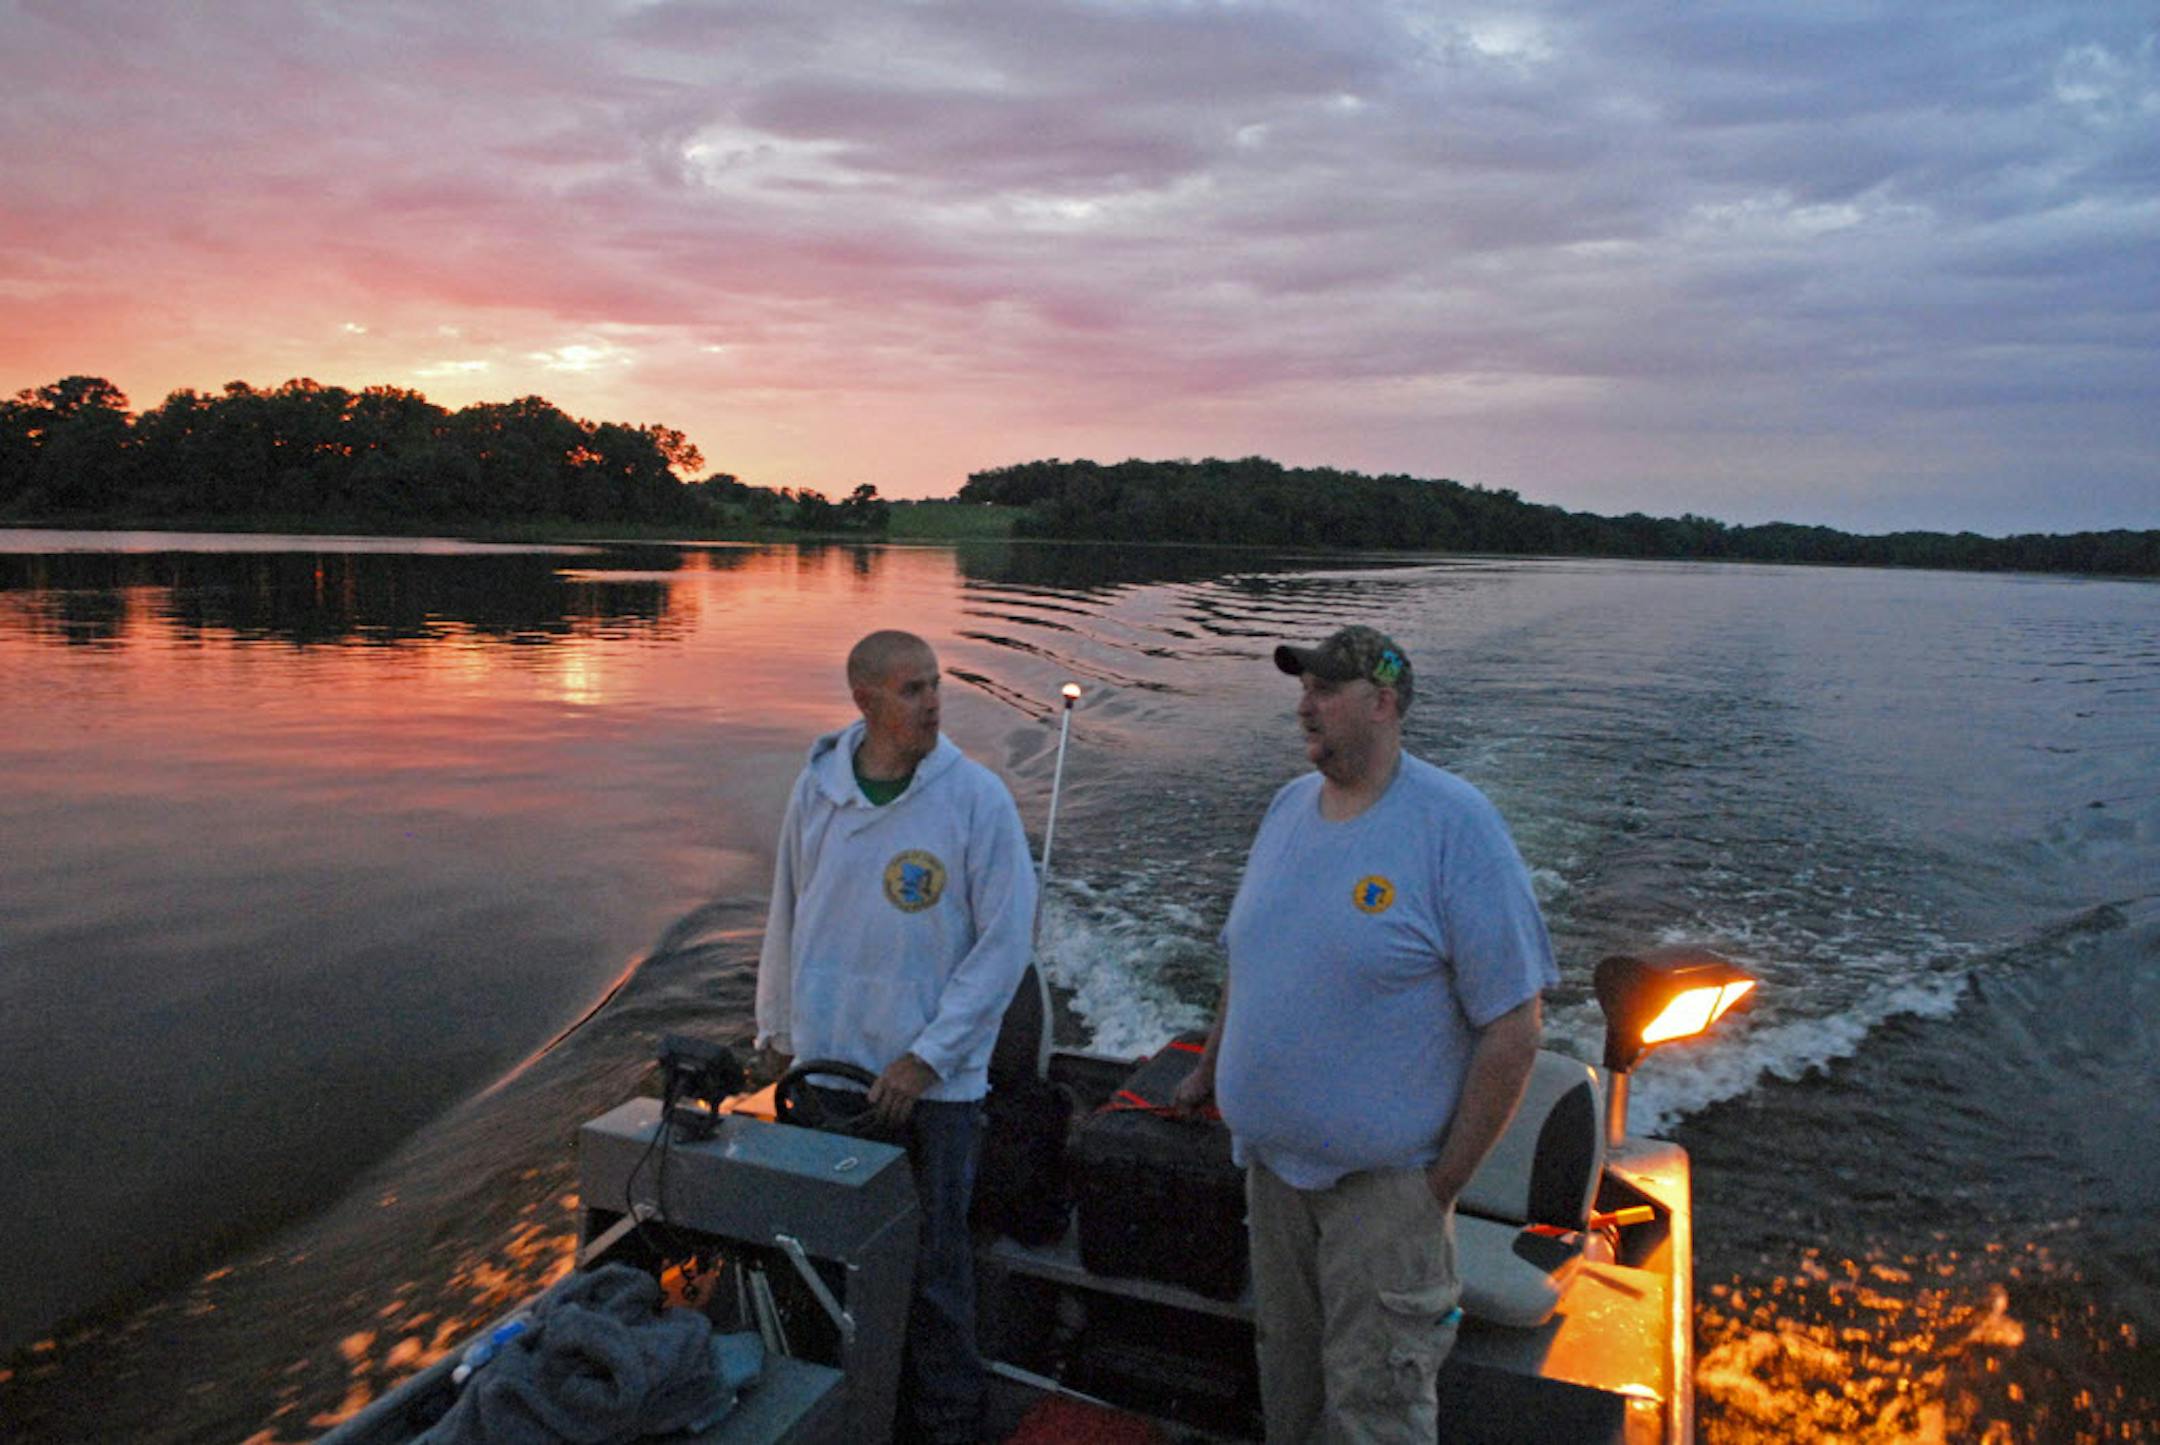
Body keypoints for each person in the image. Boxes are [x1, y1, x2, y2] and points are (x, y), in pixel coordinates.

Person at [1173, 624, 1556, 1444]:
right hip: (1272, 1177)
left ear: (1383, 703)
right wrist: (1211, 1067)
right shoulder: (1285, 809)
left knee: (1375, 1410)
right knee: (1290, 1387)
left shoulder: (1455, 825)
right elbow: (1252, 953)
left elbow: (1514, 1027)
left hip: (1384, 1195)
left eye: (1324, 689)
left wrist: (1435, 1190)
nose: (1304, 704)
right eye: (1302, 688)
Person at [754, 629, 1038, 1445]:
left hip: (933, 1095)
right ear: (865, 700)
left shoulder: (975, 799)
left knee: (934, 1273)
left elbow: (1006, 940)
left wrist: (930, 1056)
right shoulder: (818, 792)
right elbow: (787, 911)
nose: (934, 703)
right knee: (819, 1261)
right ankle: (842, 1414)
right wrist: (775, 1032)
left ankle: (946, 1424)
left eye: (936, 684)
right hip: (828, 1079)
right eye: (912, 689)